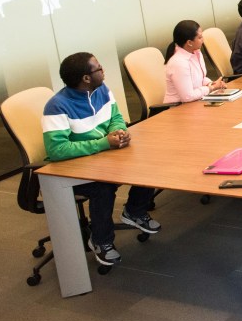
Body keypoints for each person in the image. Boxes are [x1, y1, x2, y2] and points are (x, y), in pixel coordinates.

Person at [42, 52, 161, 266]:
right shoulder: (57, 106)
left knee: (149, 159)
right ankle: (101, 240)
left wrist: (119, 131)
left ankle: (134, 211)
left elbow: (116, 117)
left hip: (103, 157)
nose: (103, 70)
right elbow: (57, 150)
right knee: (103, 188)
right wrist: (103, 143)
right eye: (98, 68)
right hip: (71, 168)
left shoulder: (102, 90)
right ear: (86, 78)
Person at [164, 19, 226, 103]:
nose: (203, 40)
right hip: (178, 107)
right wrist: (211, 88)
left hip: (194, 103)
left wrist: (211, 83)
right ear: (189, 42)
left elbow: (199, 79)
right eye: (200, 37)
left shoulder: (196, 53)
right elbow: (187, 97)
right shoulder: (179, 63)